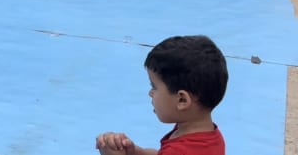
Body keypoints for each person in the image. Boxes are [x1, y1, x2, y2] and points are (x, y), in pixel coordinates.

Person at [95, 35, 227, 155]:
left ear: (182, 99)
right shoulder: (208, 134)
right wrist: (135, 152)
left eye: (154, 86)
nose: (150, 93)